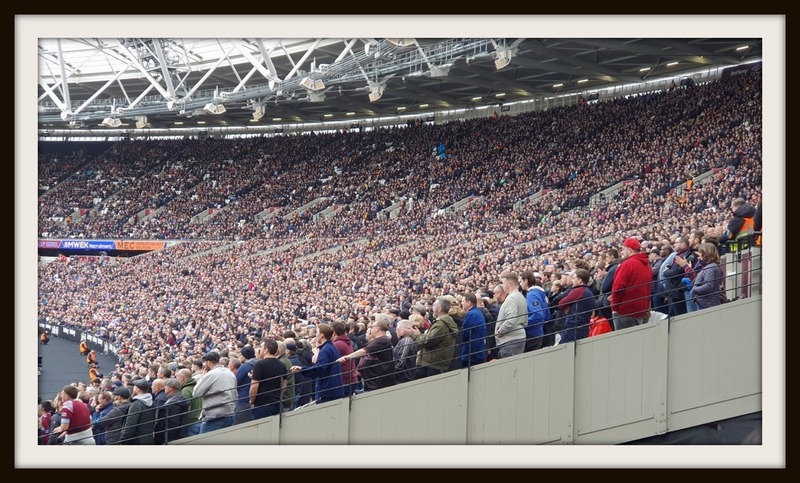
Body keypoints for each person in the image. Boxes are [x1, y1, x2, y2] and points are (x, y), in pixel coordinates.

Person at [290, 323, 345, 405]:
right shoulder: (332, 347)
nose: (316, 336)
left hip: (327, 391)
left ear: (322, 335)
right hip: (333, 389)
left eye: (317, 333)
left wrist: (302, 369)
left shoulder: (325, 350)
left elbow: (320, 369)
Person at [336, 317, 395, 391]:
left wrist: (347, 357)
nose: (370, 329)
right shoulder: (381, 340)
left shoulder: (382, 340)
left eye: (371, 327)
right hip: (375, 380)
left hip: (378, 381)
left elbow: (363, 351)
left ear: (377, 329)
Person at [610, 237, 652, 330]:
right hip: (641, 309)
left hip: (626, 310)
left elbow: (618, 288)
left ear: (629, 250)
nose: (622, 252)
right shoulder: (646, 264)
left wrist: (614, 307)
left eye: (623, 249)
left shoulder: (627, 264)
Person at [410, 297, 457, 379]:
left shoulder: (441, 325)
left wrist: (415, 335)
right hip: (434, 363)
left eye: (434, 306)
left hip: (433, 365)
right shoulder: (441, 322)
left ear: (439, 309)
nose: (432, 308)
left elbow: (427, 341)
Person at [193, 351, 237, 433]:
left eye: (205, 363)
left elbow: (196, 393)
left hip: (214, 417)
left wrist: (203, 376)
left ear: (208, 362)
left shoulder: (211, 374)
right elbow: (235, 394)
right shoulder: (230, 373)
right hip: (230, 414)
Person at [249, 338, 288, 420]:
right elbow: (284, 385)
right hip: (277, 403)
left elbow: (254, 386)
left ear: (266, 350)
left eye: (262, 348)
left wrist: (252, 401)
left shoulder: (259, 364)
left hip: (262, 405)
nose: (260, 350)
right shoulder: (282, 365)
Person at [494, 271, 528, 358]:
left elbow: (511, 319)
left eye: (503, 283)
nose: (502, 285)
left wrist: (500, 331)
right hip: (516, 338)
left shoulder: (511, 298)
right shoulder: (520, 296)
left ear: (510, 283)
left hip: (511, 341)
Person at [556, 268, 595, 343]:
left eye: (574, 278)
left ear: (580, 280)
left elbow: (561, 303)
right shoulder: (588, 292)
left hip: (574, 327)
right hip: (583, 327)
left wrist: (567, 308)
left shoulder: (578, 291)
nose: (572, 280)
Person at [688, 243, 725, 310]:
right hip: (705, 302)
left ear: (706, 253)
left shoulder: (711, 268)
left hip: (706, 303)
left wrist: (694, 289)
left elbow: (708, 286)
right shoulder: (710, 266)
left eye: (700, 253)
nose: (698, 256)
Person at [520, 271, 550, 352]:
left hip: (532, 333)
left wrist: (523, 323)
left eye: (521, 281)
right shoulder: (540, 293)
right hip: (539, 332)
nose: (520, 283)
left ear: (526, 280)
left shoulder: (532, 295)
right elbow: (547, 315)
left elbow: (538, 315)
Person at [120, 379, 156, 445]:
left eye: (135, 387)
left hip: (137, 441)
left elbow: (130, 423)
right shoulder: (152, 402)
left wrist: (123, 439)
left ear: (137, 389)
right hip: (148, 438)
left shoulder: (136, 404)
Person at [331, 321, 358, 396]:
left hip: (344, 381)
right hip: (350, 379)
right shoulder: (345, 342)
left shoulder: (337, 344)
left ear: (333, 333)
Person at [459, 293, 486, 367]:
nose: (461, 303)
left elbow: (465, 333)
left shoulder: (472, 314)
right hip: (475, 352)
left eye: (463, 301)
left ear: (469, 303)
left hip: (472, 354)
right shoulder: (476, 312)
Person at [161, 377, 189, 443]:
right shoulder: (176, 400)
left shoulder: (174, 404)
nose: (164, 387)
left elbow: (173, 422)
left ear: (171, 388)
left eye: (166, 386)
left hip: (172, 438)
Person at [233, 345, 257, 425]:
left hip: (243, 399)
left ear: (244, 355)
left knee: (240, 424)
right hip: (253, 398)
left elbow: (236, 382)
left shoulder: (245, 367)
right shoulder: (258, 364)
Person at [176, 368, 202, 437]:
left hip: (191, 423)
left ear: (182, 378)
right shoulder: (195, 387)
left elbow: (186, 408)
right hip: (198, 420)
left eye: (177, 377)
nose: (176, 379)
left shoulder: (185, 390)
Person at [393, 319, 418, 383]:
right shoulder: (404, 340)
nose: (396, 332)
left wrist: (391, 371)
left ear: (403, 330)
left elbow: (401, 360)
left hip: (403, 378)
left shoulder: (407, 340)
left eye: (397, 329)